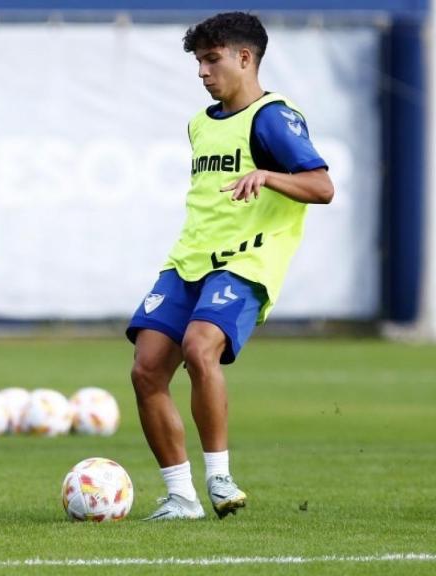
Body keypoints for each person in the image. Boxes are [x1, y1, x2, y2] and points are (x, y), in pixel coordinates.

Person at [126, 12, 333, 521]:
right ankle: (181, 497)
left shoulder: (273, 118)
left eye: (211, 59)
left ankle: (218, 476)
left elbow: (322, 187)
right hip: (188, 261)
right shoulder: (200, 123)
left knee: (200, 347)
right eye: (199, 60)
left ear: (246, 58)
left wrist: (267, 175)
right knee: (146, 369)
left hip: (245, 262)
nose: (202, 71)